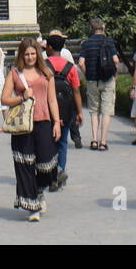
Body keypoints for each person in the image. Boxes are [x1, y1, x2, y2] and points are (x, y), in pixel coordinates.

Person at [2, 38, 61, 221]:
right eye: (26, 54)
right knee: (25, 165)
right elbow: (4, 99)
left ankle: (39, 190)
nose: (30, 57)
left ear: (38, 54)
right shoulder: (14, 74)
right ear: (22, 55)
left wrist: (57, 122)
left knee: (47, 163)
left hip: (43, 121)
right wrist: (21, 98)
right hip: (23, 125)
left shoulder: (46, 72)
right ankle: (32, 205)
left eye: (33, 53)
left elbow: (52, 100)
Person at [44, 35, 83, 189]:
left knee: (48, 142)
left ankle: (50, 174)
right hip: (67, 110)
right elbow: (76, 91)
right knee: (63, 141)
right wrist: (79, 112)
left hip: (48, 108)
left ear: (50, 47)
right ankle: (60, 169)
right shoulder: (70, 67)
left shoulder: (43, 66)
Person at [78, 18, 121, 150]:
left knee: (94, 111)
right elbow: (116, 60)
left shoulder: (87, 43)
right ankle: (103, 142)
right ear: (103, 27)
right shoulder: (109, 41)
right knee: (106, 111)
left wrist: (87, 75)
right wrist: (115, 75)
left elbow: (80, 62)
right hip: (107, 80)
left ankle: (94, 140)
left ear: (91, 28)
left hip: (92, 80)